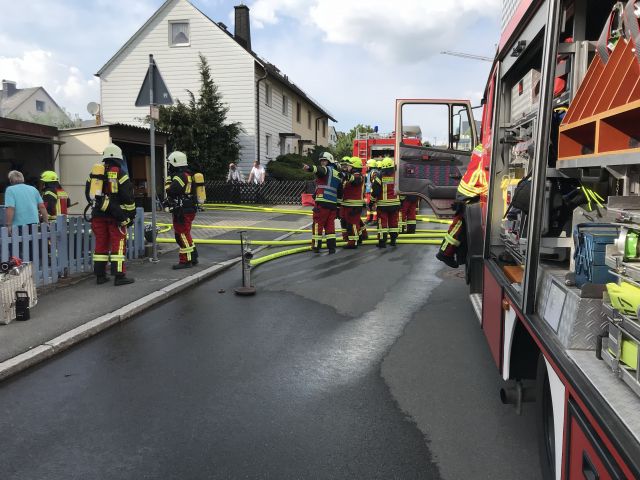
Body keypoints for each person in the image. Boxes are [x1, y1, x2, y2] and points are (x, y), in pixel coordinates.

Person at [85, 143, 136, 286]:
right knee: (118, 245)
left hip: (98, 215)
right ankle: (119, 276)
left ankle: (100, 276)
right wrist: (130, 214)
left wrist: (100, 205)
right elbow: (127, 196)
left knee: (101, 244)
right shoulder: (120, 173)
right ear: (118, 158)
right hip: (115, 216)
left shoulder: (95, 173)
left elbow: (88, 194)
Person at [436, 144, 489, 268]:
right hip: (471, 191)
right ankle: (444, 253)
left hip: (469, 189)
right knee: (459, 224)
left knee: (461, 224)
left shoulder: (483, 146)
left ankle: (446, 253)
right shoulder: (488, 148)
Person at [165, 151, 199, 269]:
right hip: (188, 208)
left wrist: (168, 182)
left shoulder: (180, 176)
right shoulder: (188, 174)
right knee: (186, 234)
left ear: (175, 163)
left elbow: (172, 190)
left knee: (181, 235)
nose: (169, 166)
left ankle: (186, 261)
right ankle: (193, 257)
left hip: (182, 210)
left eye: (170, 164)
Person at [302, 152, 341, 253]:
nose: (322, 163)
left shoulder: (326, 169)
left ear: (329, 161)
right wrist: (338, 207)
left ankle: (316, 246)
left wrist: (309, 167)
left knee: (317, 225)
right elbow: (340, 192)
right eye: (321, 161)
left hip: (322, 203)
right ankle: (331, 248)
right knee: (330, 226)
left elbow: (319, 170)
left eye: (324, 160)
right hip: (332, 205)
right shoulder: (337, 173)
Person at [4, 170, 50, 236]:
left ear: (11, 180)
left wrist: (9, 225)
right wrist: (46, 222)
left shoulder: (10, 190)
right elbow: (42, 207)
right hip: (34, 223)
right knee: (33, 241)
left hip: (18, 224)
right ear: (23, 179)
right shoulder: (33, 189)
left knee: (19, 242)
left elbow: (10, 208)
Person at [371, 157, 400, 248]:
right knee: (393, 223)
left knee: (382, 223)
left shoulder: (380, 176)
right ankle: (393, 241)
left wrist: (371, 202)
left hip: (383, 205)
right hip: (395, 204)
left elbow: (375, 191)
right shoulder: (397, 176)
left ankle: (382, 242)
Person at [339, 156, 367, 249]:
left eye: (349, 165)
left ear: (354, 166)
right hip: (347, 204)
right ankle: (360, 236)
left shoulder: (358, 176)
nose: (347, 167)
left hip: (354, 205)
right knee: (352, 222)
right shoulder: (351, 175)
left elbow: (355, 181)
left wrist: (345, 175)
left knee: (352, 223)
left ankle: (353, 242)